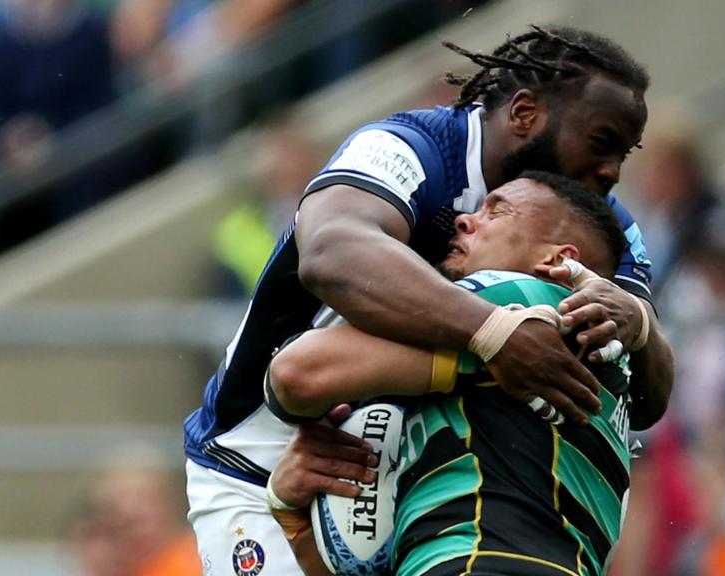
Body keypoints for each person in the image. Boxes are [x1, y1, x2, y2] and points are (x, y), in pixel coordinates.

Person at [183, 25, 675, 576]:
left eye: (624, 153)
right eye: (601, 142)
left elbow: (647, 395)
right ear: (524, 113)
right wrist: (490, 335)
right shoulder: (409, 148)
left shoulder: (602, 223)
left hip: (408, 454)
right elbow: (330, 252)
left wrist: (637, 324)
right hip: (263, 454)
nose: (612, 170)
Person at [268, 172, 635, 576]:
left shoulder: (527, 299)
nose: (464, 220)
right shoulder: (604, 380)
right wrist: (297, 523)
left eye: (497, 212)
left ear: (556, 262)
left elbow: (296, 372)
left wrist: (477, 350)